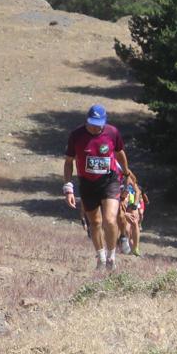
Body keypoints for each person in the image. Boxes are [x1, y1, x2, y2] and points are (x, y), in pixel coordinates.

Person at [63, 104, 133, 270]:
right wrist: (68, 188)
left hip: (110, 181)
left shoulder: (112, 133)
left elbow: (120, 153)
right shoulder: (76, 135)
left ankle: (111, 257)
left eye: (98, 123)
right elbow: (68, 162)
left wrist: (127, 173)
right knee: (95, 223)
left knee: (110, 219)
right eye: (92, 123)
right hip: (87, 184)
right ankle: (101, 258)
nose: (95, 127)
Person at [116, 172, 146, 257]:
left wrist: (135, 206)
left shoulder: (129, 175)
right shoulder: (115, 175)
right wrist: (125, 214)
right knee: (126, 228)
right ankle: (123, 243)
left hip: (131, 198)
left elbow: (137, 191)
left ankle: (136, 248)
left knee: (134, 222)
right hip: (119, 199)